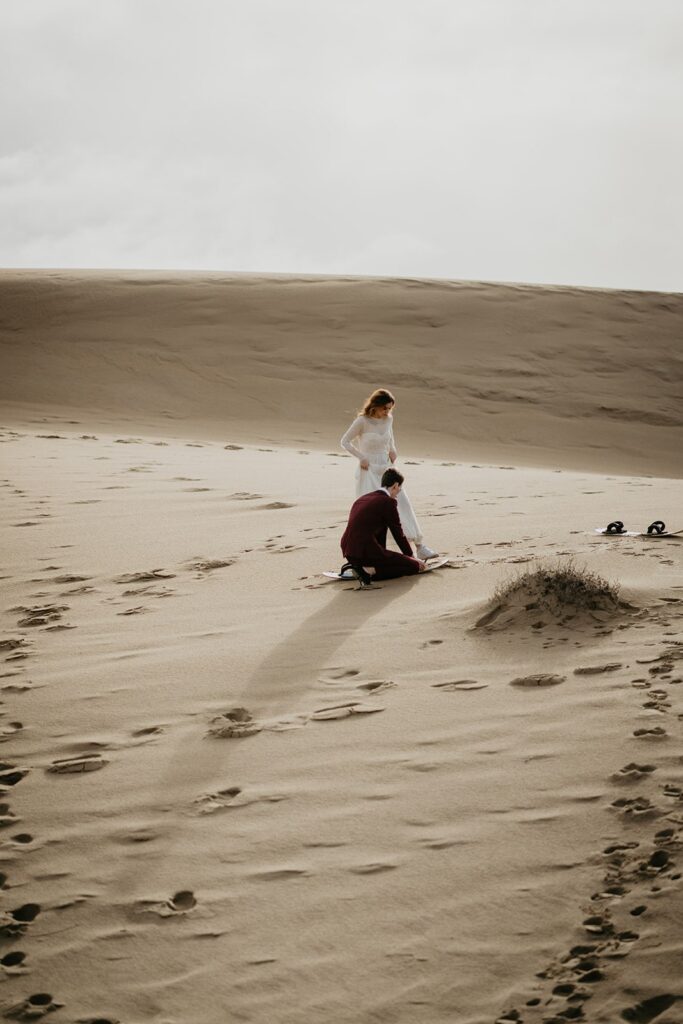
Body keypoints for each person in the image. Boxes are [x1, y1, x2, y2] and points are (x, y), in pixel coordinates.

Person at [340, 388, 437, 560]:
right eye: (385, 408)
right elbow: (345, 442)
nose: (387, 411)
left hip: (386, 468)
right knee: (373, 513)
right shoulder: (362, 421)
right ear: (375, 405)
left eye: (390, 408)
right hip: (368, 470)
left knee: (403, 504)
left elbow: (390, 437)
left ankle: (419, 546)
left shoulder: (388, 419)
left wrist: (393, 450)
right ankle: (372, 552)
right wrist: (361, 457)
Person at [340, 468, 426, 583]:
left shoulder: (363, 498)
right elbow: (398, 534)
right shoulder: (388, 502)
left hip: (349, 551)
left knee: (394, 561)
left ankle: (361, 566)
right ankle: (369, 571)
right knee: (413, 567)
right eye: (399, 488)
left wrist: (383, 557)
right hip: (366, 551)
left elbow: (379, 531)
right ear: (395, 485)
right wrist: (411, 558)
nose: (398, 492)